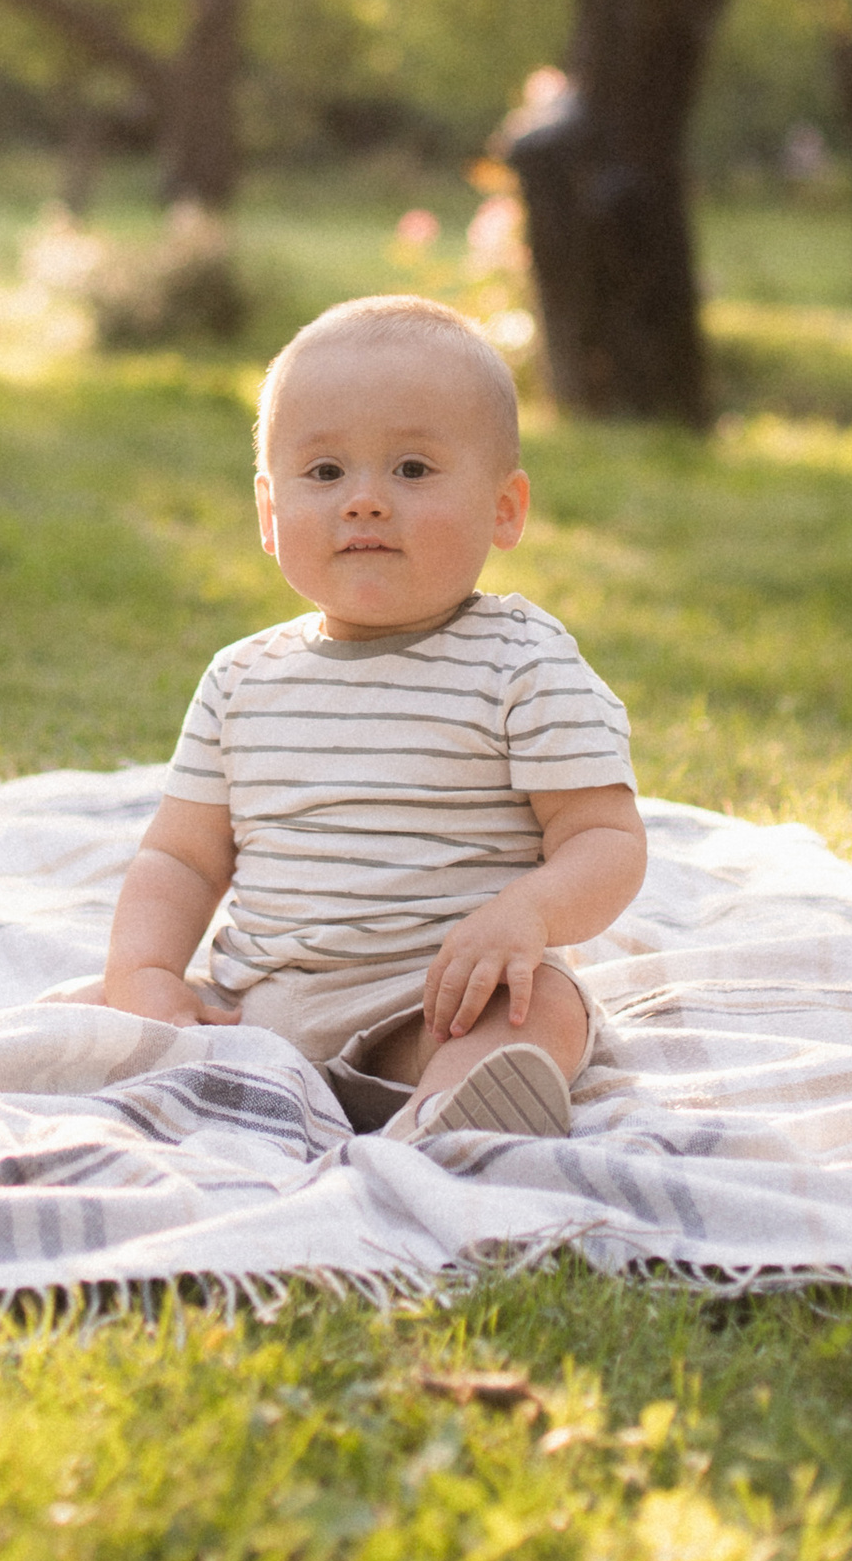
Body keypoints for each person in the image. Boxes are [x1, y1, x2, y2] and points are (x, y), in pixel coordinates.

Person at [100, 292, 647, 1140]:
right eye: (325, 474)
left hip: (437, 1002)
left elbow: (606, 842)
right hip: (264, 1010)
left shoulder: (522, 662)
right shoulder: (242, 680)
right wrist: (143, 971)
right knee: (141, 1027)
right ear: (268, 516)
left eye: (412, 470)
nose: (364, 501)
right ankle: (246, 1095)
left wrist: (528, 914)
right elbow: (180, 857)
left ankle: (454, 1116)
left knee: (539, 1008)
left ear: (505, 508)